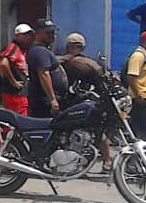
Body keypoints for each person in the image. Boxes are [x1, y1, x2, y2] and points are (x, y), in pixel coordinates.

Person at [59, 32, 111, 171]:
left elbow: (102, 76)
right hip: (72, 100)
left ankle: (106, 161)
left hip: (87, 100)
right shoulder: (67, 60)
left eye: (76, 46)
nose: (73, 48)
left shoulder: (86, 62)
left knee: (98, 130)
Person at [26, 18, 69, 118]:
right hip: (45, 101)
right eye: (48, 32)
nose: (52, 35)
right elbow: (44, 75)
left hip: (49, 99)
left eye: (53, 32)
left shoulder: (43, 50)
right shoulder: (39, 51)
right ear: (38, 33)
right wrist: (52, 99)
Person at [126, 31, 146, 143]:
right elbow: (132, 76)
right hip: (141, 99)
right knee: (141, 131)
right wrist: (138, 95)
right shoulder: (138, 56)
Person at [0, 24, 34, 115]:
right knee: (19, 120)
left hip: (19, 93)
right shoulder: (14, 47)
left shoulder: (23, 49)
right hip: (15, 94)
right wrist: (13, 81)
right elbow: (3, 63)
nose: (29, 37)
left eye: (29, 35)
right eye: (25, 35)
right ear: (18, 36)